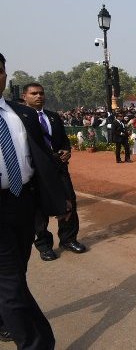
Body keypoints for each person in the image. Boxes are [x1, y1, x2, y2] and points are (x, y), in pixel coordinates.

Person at [0, 52, 69, 348]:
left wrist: (58, 200)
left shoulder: (20, 115)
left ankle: (5, 319)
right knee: (10, 281)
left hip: (23, 201)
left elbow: (41, 162)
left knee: (18, 274)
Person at [22, 83, 87, 261]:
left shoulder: (53, 117)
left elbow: (63, 140)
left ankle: (68, 239)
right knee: (38, 208)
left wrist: (67, 151)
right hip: (36, 170)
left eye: (41, 93)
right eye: (33, 93)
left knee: (69, 202)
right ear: (24, 96)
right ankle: (44, 245)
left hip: (58, 168)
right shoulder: (20, 118)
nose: (38, 96)